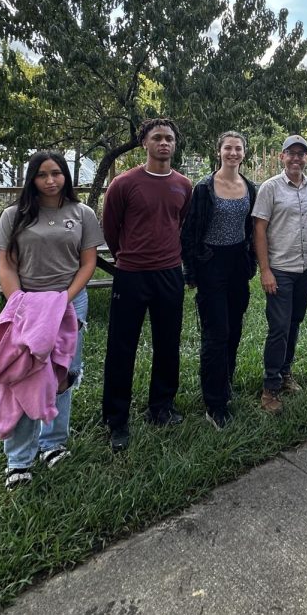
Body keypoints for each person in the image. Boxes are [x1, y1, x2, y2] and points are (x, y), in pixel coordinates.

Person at [0, 150, 101, 489]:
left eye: (57, 173)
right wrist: (20, 302)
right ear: (32, 179)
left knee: (62, 374)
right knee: (23, 375)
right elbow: (6, 265)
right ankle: (18, 460)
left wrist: (63, 300)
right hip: (26, 304)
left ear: (66, 176)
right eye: (43, 174)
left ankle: (52, 443)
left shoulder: (82, 213)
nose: (51, 180)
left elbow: (88, 263)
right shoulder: (15, 215)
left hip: (70, 303)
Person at [101, 118, 193, 451]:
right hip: (131, 274)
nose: (164, 143)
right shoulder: (123, 184)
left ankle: (162, 407)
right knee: (121, 347)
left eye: (169, 138)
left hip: (169, 273)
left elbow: (179, 223)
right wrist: (128, 257)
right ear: (145, 143)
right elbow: (110, 229)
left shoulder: (184, 185)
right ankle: (116, 418)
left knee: (167, 344)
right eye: (157, 138)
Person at [180, 131, 257, 429]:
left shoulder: (250, 187)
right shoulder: (204, 188)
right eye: (228, 148)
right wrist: (192, 271)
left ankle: (225, 383)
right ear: (219, 152)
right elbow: (189, 233)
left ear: (244, 153)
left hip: (238, 264)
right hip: (211, 264)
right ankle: (214, 402)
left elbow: (251, 230)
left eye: (238, 149)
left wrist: (250, 263)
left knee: (234, 328)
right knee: (216, 333)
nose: (233, 153)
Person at [253, 134, 307, 414]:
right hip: (280, 269)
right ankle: (270, 387)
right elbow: (259, 230)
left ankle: (285, 373)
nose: (296, 158)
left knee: (294, 322)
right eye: (290, 153)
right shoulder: (270, 188)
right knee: (279, 327)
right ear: (282, 157)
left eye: (301, 153)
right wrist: (265, 270)